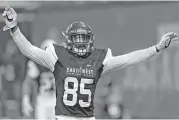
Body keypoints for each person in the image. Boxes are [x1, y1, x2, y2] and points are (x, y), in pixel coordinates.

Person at [2, 6, 178, 120]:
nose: (80, 42)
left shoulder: (98, 59)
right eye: (76, 38)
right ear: (68, 41)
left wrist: (157, 48)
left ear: (90, 40)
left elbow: (129, 58)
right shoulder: (57, 56)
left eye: (83, 38)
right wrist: (15, 29)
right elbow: (29, 51)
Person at [22, 39, 56, 119]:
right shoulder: (36, 64)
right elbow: (28, 83)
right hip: (42, 100)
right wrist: (25, 99)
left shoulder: (61, 64)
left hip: (56, 100)